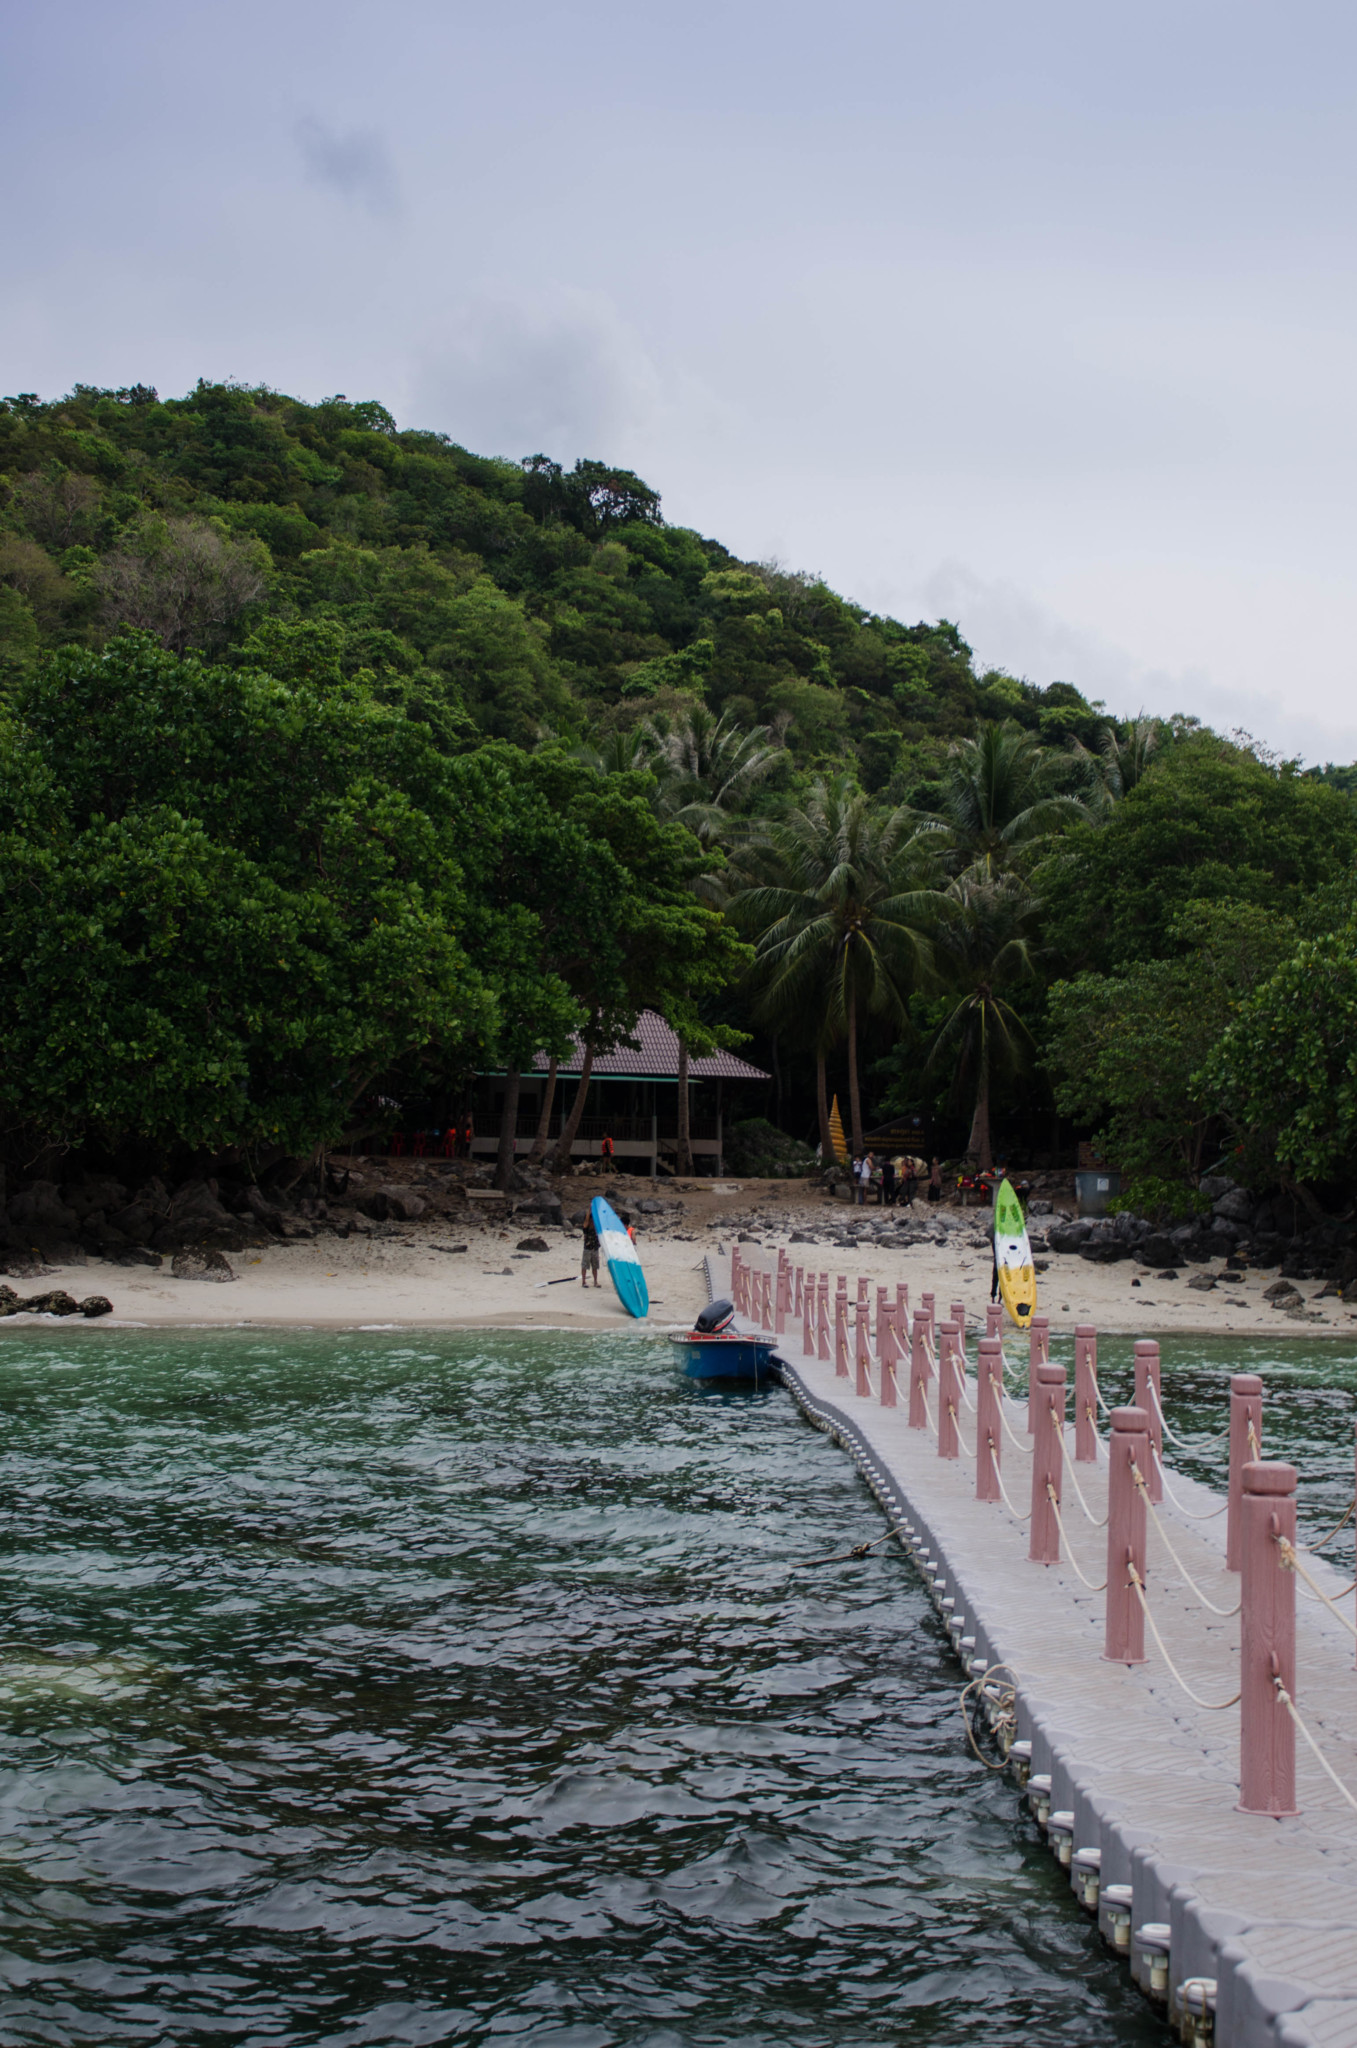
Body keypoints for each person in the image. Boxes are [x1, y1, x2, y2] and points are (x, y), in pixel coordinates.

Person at [581, 1211, 602, 1288]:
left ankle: (595, 1282)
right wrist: (590, 1209)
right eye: (591, 1220)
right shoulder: (586, 1228)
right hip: (587, 1249)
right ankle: (583, 1282)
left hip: (595, 1249)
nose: (593, 1222)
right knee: (585, 1266)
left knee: (595, 1266)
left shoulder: (597, 1228)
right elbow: (586, 1220)